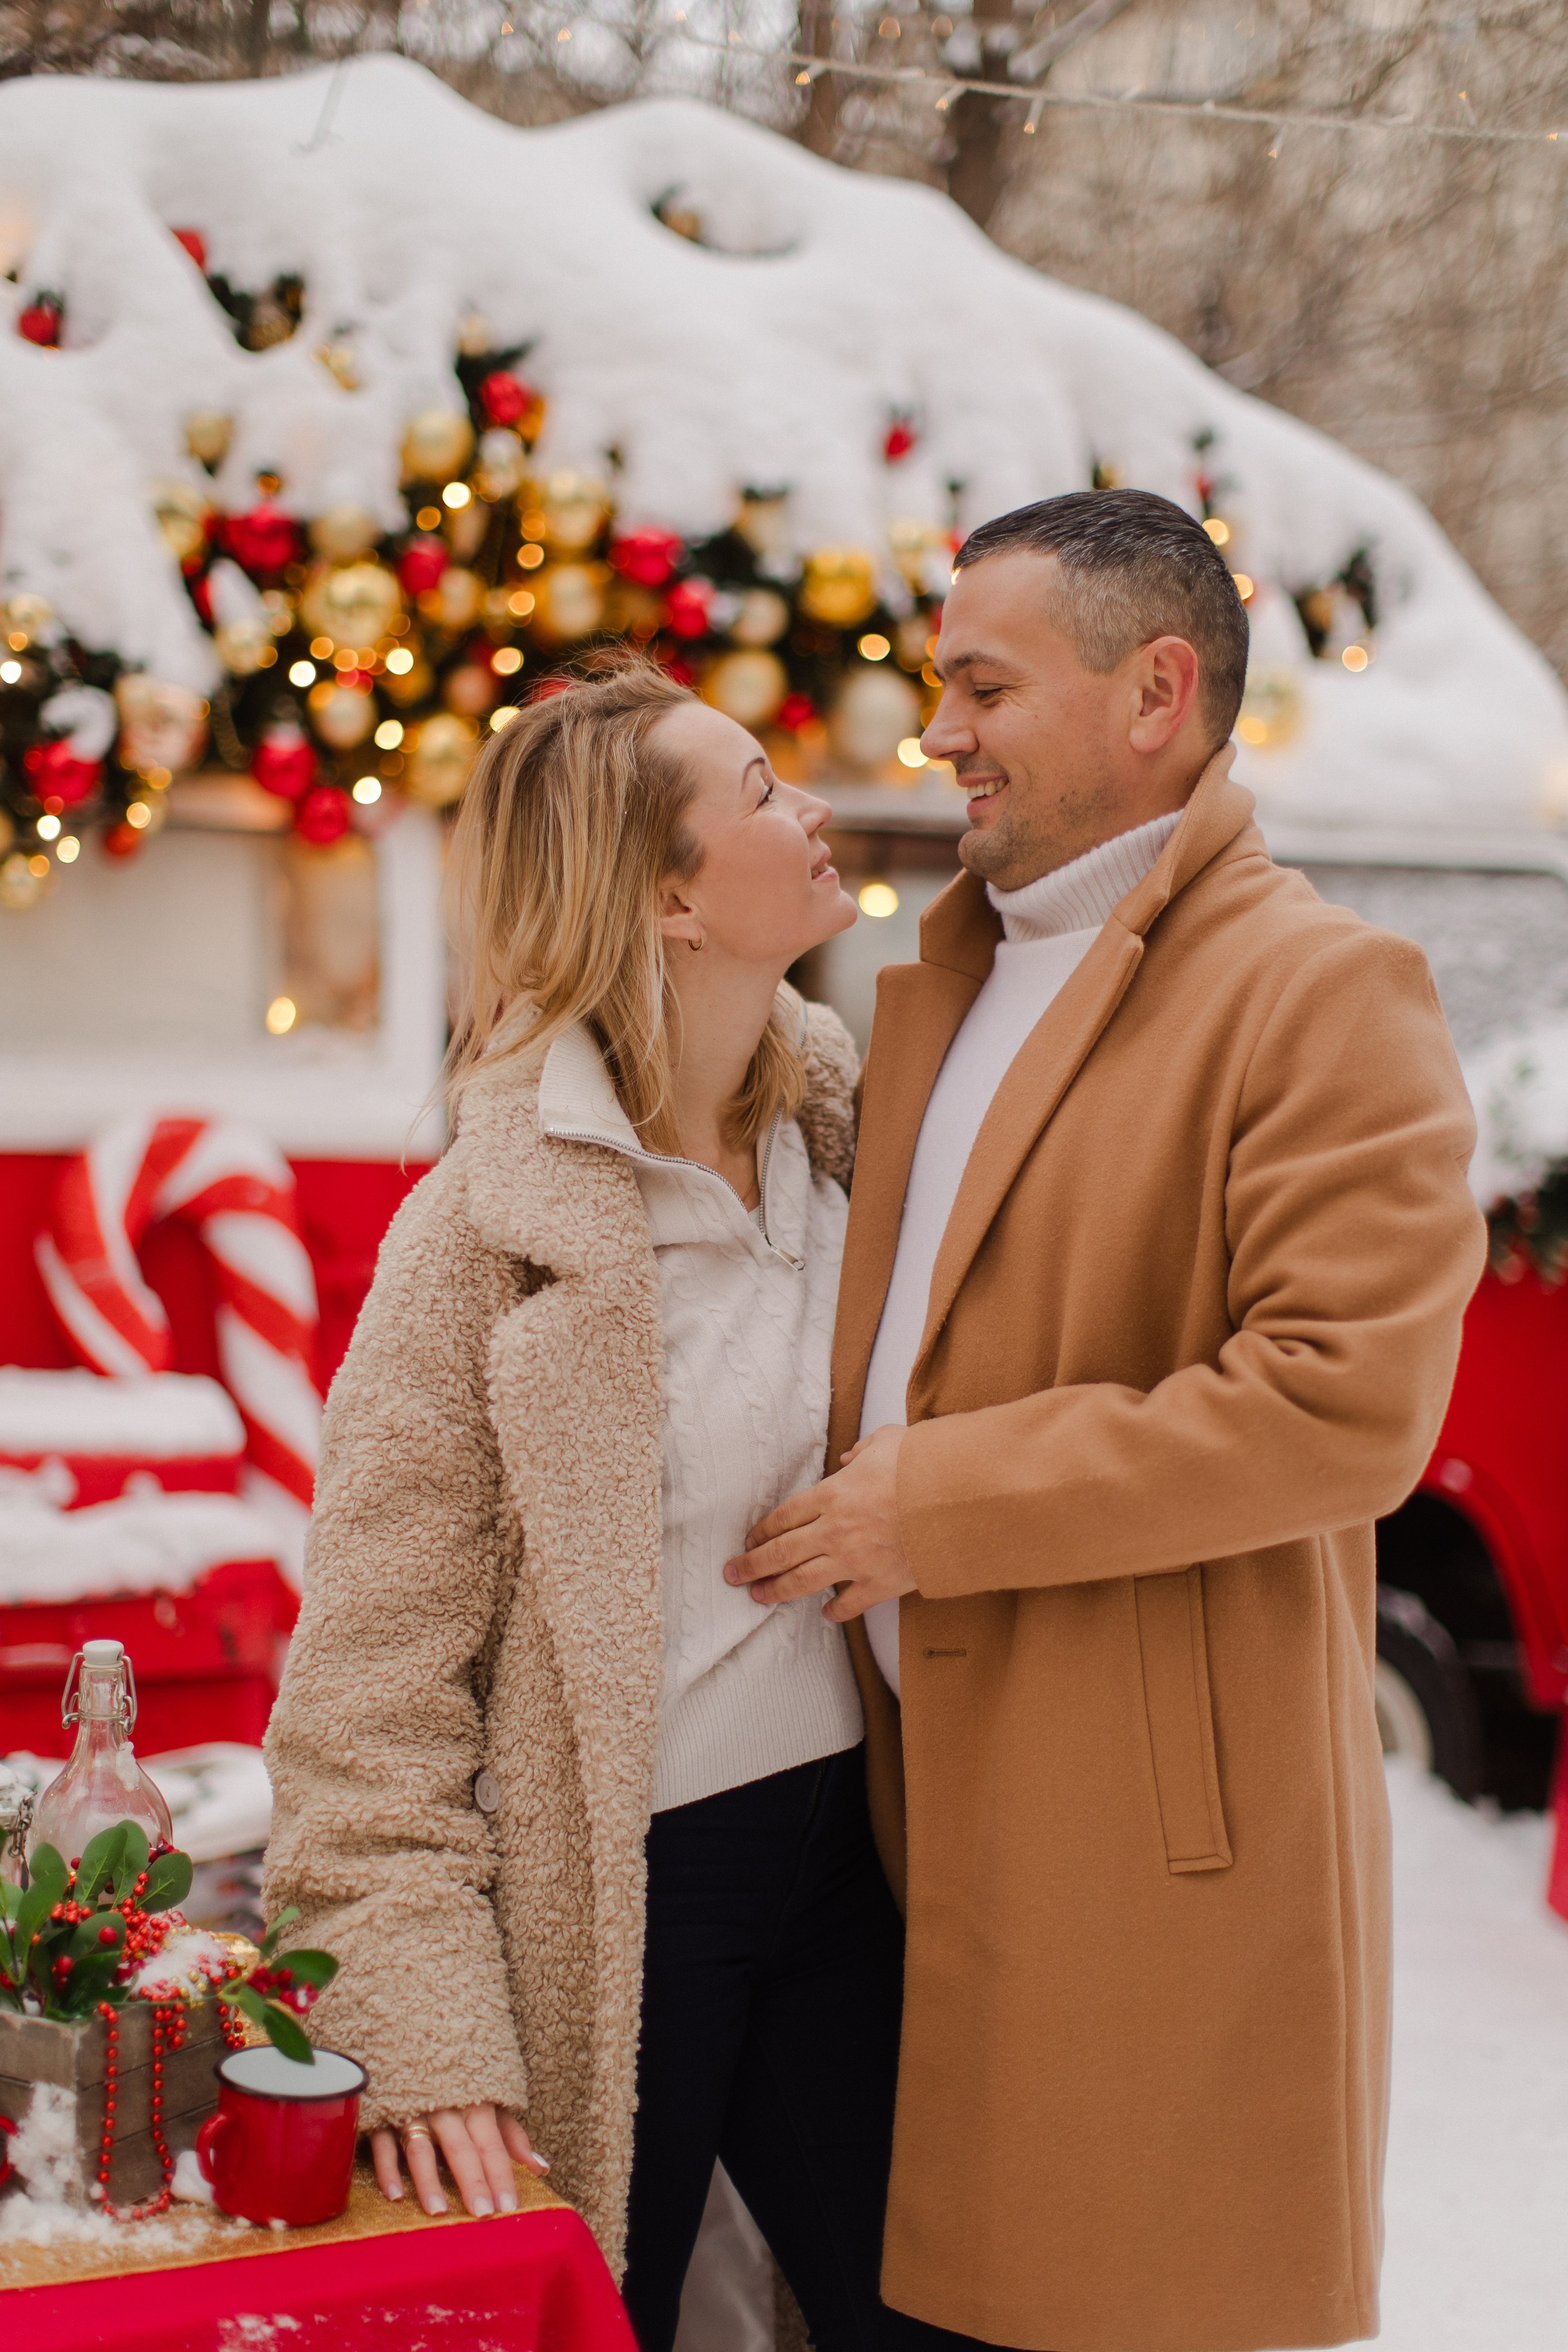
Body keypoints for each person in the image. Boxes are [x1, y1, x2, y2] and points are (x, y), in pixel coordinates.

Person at [729, 490, 1488, 2352]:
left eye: (983, 685)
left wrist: (947, 1507)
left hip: (1142, 1869)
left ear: (1157, 691)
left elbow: (1346, 1404)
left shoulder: (1321, 989)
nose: (942, 732)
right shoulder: (951, 976)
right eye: (939, 686)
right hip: (904, 1831)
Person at [263, 658, 968, 2351]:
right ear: (666, 895)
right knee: (598, 2323)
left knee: (934, 2319)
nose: (811, 810)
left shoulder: (862, 1145)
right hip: (623, 1896)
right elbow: (363, 1703)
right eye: (757, 791)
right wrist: (425, 2037)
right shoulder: (479, 1244)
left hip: (855, 1855)